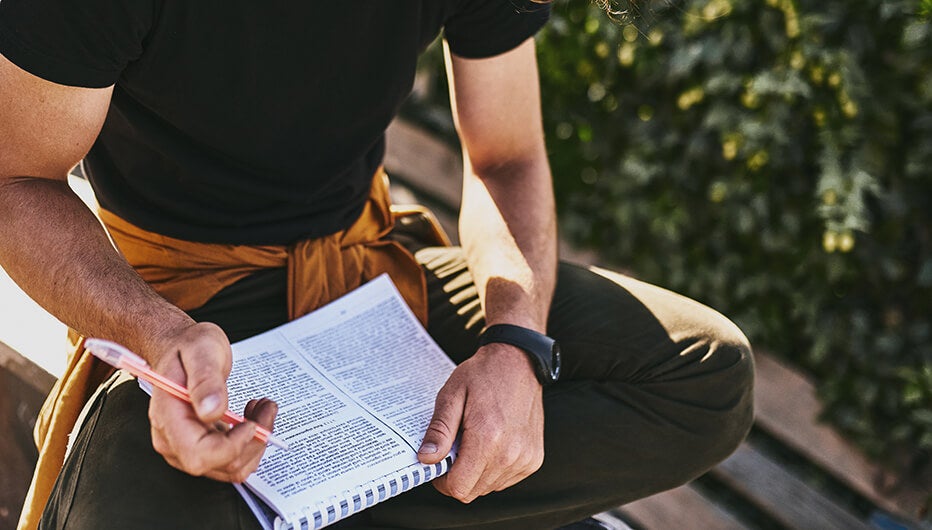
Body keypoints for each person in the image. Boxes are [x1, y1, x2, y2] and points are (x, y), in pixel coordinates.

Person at [0, 1, 754, 529]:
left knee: (704, 374)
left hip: (373, 270)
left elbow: (507, 155)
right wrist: (158, 338)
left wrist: (514, 343)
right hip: (183, 314)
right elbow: (16, 183)